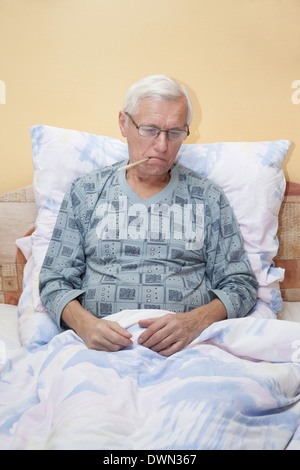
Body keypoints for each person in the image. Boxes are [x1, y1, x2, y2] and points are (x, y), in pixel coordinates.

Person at [39, 75, 258, 356]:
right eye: (150, 130)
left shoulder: (207, 197)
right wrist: (86, 326)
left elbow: (240, 284)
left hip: (187, 351)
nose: (163, 146)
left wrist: (195, 322)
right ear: (123, 123)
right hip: (99, 351)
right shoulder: (86, 192)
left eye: (175, 132)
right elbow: (54, 280)